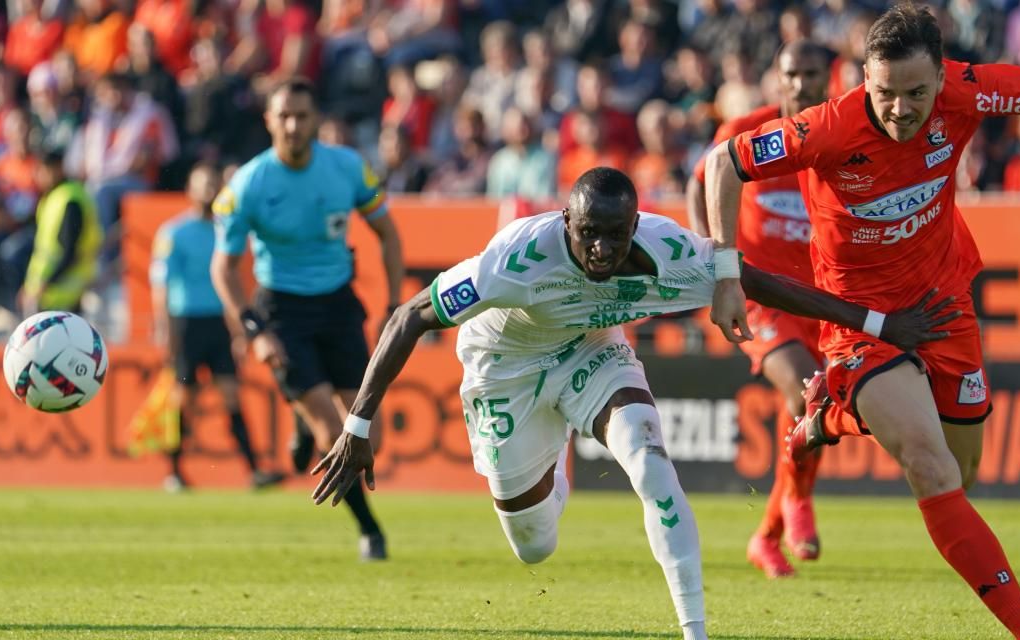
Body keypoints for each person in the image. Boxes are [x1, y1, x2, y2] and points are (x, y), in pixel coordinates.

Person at [308, 167, 957, 640]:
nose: (600, 249)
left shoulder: (665, 250)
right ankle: (553, 449)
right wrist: (358, 425)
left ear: (635, 225)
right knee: (533, 548)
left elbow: (760, 281)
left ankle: (695, 630)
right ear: (567, 221)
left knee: (651, 468)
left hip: (593, 353)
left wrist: (876, 325)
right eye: (589, 233)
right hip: (504, 366)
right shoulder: (516, 258)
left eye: (614, 236)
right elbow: (408, 317)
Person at [703, 5, 1020, 638]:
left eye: (916, 93)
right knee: (931, 469)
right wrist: (724, 272)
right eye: (885, 93)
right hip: (861, 325)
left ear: (944, 78)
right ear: (864, 79)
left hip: (943, 308)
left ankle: (830, 416)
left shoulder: (972, 89)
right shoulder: (827, 126)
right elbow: (725, 161)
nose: (900, 109)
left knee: (963, 474)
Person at [210, 78, 405, 562]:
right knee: (331, 432)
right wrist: (254, 330)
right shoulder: (249, 185)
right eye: (284, 116)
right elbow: (223, 269)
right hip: (282, 310)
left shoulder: (347, 168)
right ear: (269, 121)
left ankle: (298, 427)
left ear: (315, 119)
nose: (294, 125)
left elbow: (389, 234)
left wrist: (393, 305)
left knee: (368, 434)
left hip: (338, 305)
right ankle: (370, 531)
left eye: (302, 115)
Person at [687, 39, 832, 579]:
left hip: (821, 300)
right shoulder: (749, 131)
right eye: (790, 73)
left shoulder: (841, 132)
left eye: (810, 74)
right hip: (758, 294)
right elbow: (698, 180)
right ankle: (797, 504)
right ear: (778, 75)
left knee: (814, 415)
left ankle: (766, 535)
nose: (799, 84)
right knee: (805, 391)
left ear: (828, 75)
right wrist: (710, 257)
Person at [150, 162, 286, 492]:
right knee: (183, 399)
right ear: (189, 190)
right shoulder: (173, 233)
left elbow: (233, 284)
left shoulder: (226, 231)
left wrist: (240, 332)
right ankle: (174, 473)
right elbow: (161, 286)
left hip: (218, 324)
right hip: (186, 324)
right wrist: (164, 330)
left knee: (231, 397)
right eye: (203, 183)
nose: (210, 189)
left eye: (213, 182)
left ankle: (254, 470)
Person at [19, 152, 102, 315]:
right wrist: (31, 287)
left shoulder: (71, 200)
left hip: (67, 296)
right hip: (48, 295)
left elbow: (70, 251)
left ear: (57, 169)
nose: (38, 176)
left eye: (42, 170)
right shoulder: (51, 199)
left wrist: (46, 283)